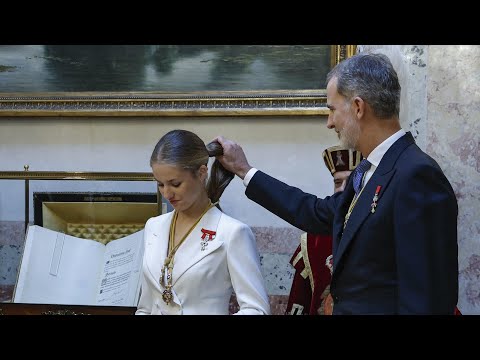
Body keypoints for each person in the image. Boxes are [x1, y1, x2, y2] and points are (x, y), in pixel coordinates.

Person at [214, 53, 459, 315]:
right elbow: (316, 212)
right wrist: (244, 170)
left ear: (358, 107)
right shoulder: (368, 170)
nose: (329, 122)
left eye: (332, 109)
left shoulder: (416, 175)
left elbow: (428, 299)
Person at [135, 129, 271, 315]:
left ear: (201, 173)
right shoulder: (154, 226)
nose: (167, 194)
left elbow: (257, 309)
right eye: (160, 184)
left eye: (175, 184)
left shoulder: (232, 232)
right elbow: (145, 307)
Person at [286, 146, 360, 315]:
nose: (342, 190)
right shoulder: (312, 241)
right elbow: (299, 304)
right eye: (337, 183)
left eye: (349, 183)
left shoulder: (380, 234)